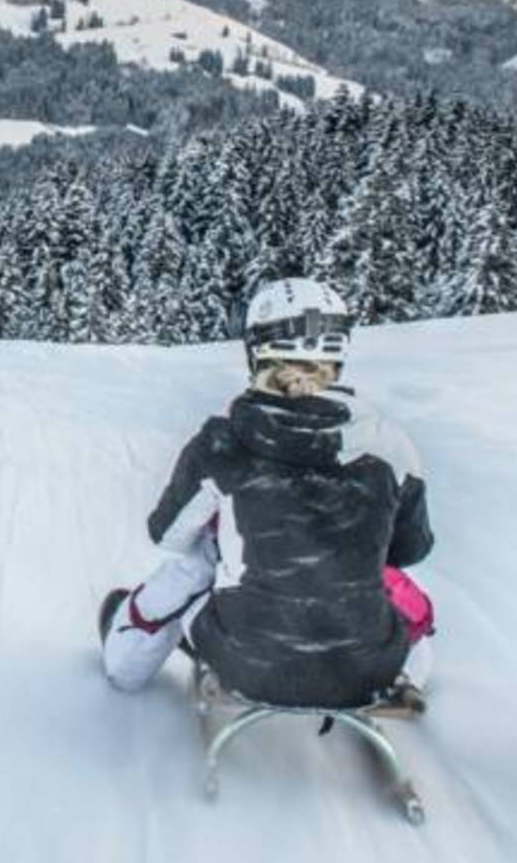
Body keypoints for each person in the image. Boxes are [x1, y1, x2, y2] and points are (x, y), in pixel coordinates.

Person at [98, 277, 434, 709]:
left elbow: (168, 536)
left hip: (247, 663)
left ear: (258, 349)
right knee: (384, 579)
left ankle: (124, 668)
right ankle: (405, 680)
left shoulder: (223, 443)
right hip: (369, 667)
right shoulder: (391, 446)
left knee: (198, 559)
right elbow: (408, 550)